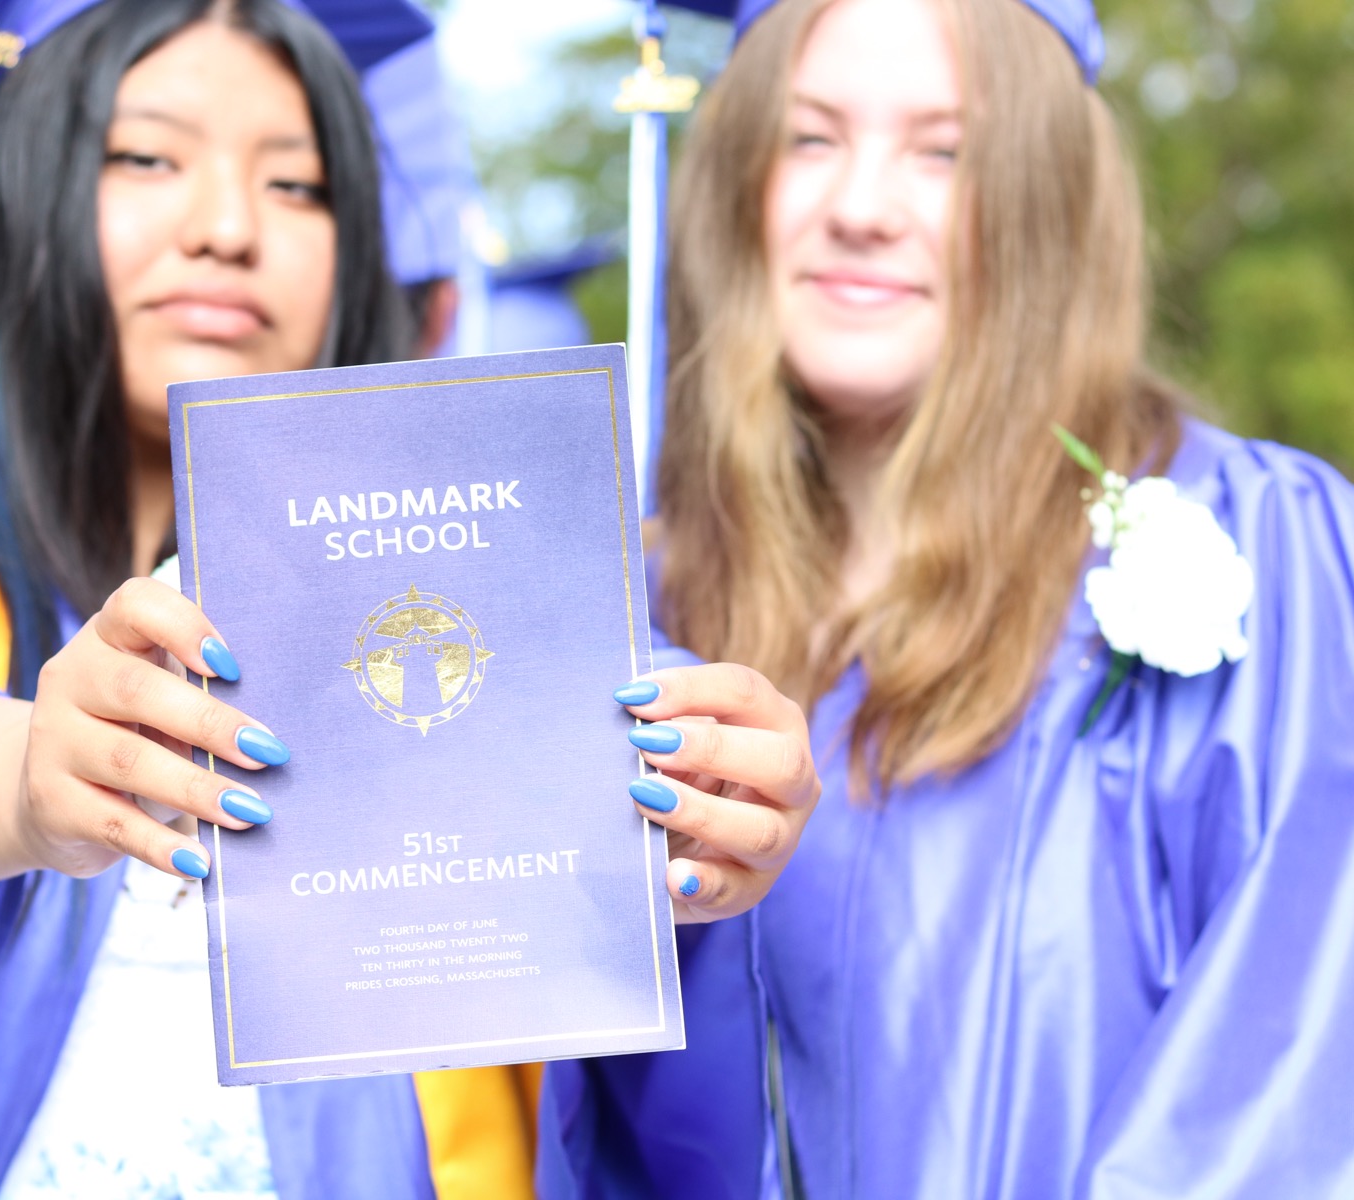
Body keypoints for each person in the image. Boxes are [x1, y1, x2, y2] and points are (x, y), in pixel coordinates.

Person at [0, 0, 819, 1196]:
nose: (229, 225)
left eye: (297, 183)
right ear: (15, 194)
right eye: (147, 158)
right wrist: (28, 779)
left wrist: (707, 820)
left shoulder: (472, 601)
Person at [541, 0, 1354, 1196]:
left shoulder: (1257, 548)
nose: (861, 208)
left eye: (946, 151)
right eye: (810, 139)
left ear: (1046, 196)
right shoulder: (640, 613)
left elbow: (1289, 1079)